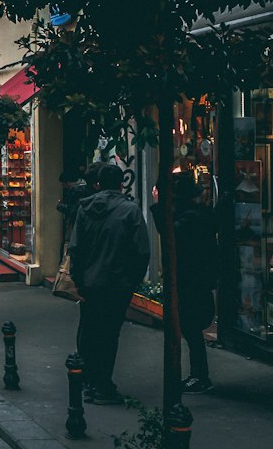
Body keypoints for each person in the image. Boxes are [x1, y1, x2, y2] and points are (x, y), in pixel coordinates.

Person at [69, 162, 149, 405]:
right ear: (121, 183)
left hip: (90, 282)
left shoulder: (85, 208)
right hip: (116, 284)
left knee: (90, 330)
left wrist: (78, 279)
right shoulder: (130, 211)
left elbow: (76, 248)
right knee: (109, 334)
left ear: (98, 184)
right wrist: (132, 282)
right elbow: (142, 251)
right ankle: (102, 385)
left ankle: (88, 381)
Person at [151, 173, 218, 394]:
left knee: (190, 327)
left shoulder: (190, 217)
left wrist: (159, 206)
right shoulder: (198, 213)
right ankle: (199, 374)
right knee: (190, 327)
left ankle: (200, 375)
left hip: (190, 279)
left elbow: (171, 234)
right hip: (195, 278)